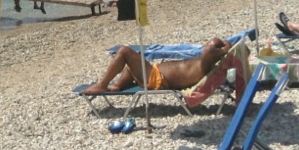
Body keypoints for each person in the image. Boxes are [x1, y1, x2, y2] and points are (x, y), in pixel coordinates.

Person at [81, 37, 230, 95]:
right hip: (154, 74)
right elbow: (210, 49)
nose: (205, 46)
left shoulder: (204, 65)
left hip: (155, 79)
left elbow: (210, 49)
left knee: (124, 51)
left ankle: (102, 85)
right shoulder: (203, 63)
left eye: (208, 46)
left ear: (215, 54)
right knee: (131, 65)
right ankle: (118, 85)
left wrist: (224, 46)